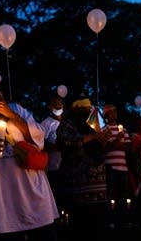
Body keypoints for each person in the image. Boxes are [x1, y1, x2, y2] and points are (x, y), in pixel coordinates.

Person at [0, 82, 59, 241]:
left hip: (33, 188)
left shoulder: (15, 109)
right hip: (5, 194)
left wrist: (12, 115)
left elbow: (38, 139)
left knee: (43, 233)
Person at [56, 95, 108, 237]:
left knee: (97, 224)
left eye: (88, 108)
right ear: (76, 109)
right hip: (78, 181)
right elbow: (64, 142)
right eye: (84, 108)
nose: (87, 110)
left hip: (98, 183)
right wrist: (92, 137)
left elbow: (102, 147)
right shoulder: (67, 124)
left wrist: (103, 140)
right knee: (80, 225)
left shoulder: (94, 124)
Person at [101, 104, 132, 228]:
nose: (114, 114)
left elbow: (129, 147)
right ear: (107, 115)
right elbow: (105, 147)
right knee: (110, 195)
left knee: (123, 195)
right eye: (112, 112)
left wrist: (116, 144)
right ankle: (110, 221)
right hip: (110, 167)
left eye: (115, 111)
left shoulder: (122, 130)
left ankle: (123, 220)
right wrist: (117, 141)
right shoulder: (104, 130)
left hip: (123, 167)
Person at [40, 92, 64, 208]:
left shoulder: (66, 122)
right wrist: (55, 146)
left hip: (66, 166)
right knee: (55, 195)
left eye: (60, 103)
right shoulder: (45, 123)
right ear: (49, 107)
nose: (58, 106)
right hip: (53, 167)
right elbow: (40, 142)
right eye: (55, 104)